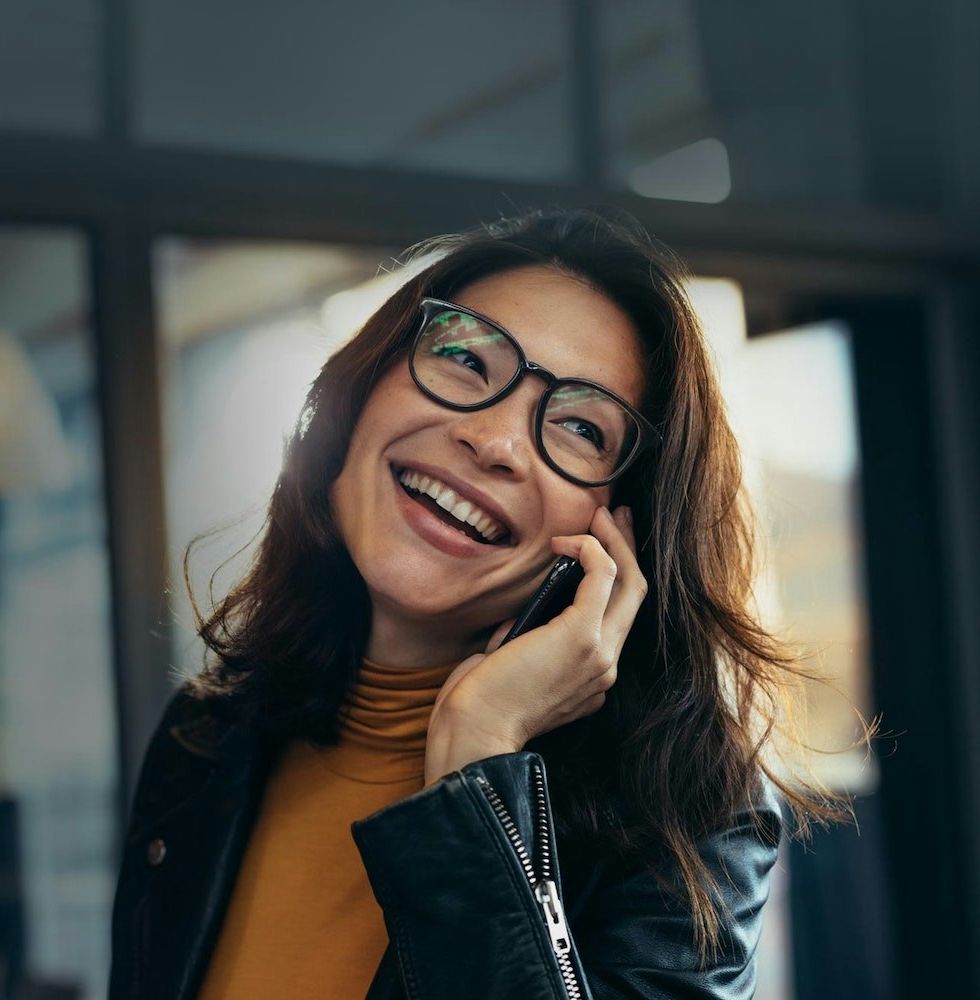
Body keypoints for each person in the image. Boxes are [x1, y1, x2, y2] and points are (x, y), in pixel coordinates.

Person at [109, 209, 846, 999]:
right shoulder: (206, 736)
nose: (492, 440)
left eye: (577, 427)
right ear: (360, 397)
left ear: (622, 531)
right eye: (463, 358)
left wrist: (481, 757)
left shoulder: (690, 815)